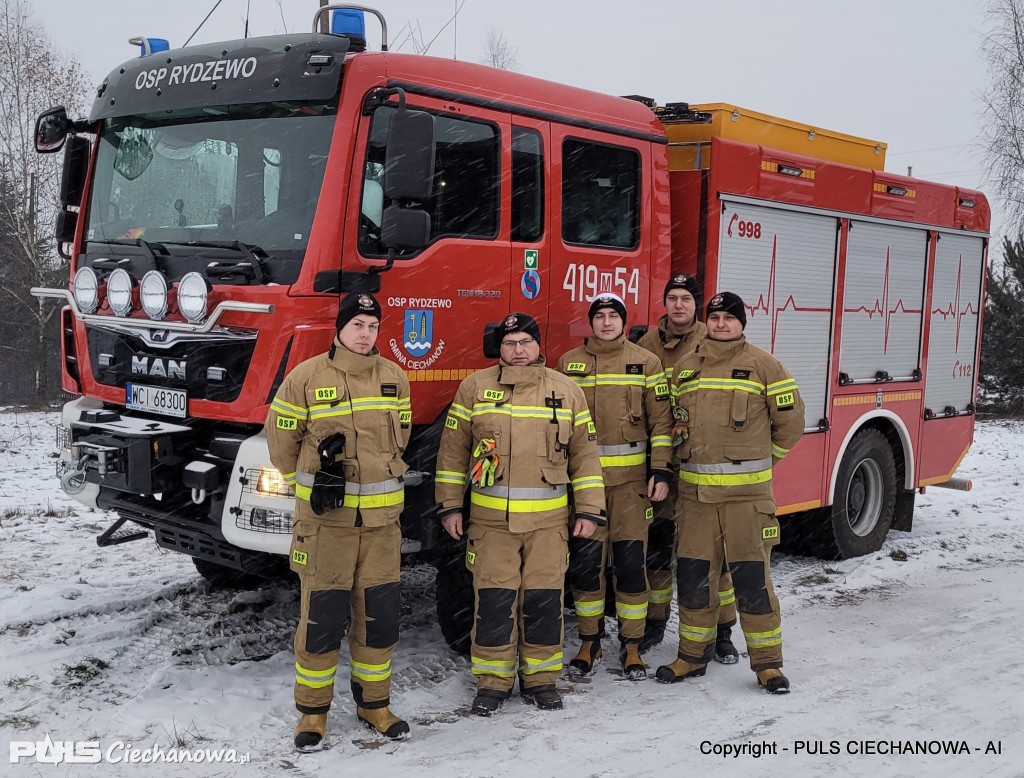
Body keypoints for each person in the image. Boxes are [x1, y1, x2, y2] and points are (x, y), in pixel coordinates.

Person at [435, 313, 606, 716]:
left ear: (538, 347)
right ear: (500, 348)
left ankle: (541, 681)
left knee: (543, 602)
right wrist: (449, 506)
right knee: (494, 602)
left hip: (549, 525)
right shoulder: (474, 387)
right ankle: (492, 684)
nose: (518, 350)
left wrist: (590, 510)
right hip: (491, 524)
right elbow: (453, 452)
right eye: (510, 343)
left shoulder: (565, 391)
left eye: (525, 343)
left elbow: (585, 456)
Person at [265, 292, 412, 750]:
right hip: (327, 526)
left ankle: (375, 705)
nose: (365, 334)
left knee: (379, 618)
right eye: (357, 325)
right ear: (340, 329)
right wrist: (307, 483)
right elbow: (281, 441)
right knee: (321, 620)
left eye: (372, 326)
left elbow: (400, 438)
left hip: (382, 526)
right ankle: (312, 714)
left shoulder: (394, 377)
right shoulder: (306, 378)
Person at [656, 292, 804, 694]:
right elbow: (673, 424)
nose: (721, 324)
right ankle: (691, 655)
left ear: (742, 323)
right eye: (715, 317)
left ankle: (768, 665)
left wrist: (758, 462)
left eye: (729, 318)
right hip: (695, 501)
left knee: (752, 581)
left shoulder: (765, 366)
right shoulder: (686, 367)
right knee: (694, 580)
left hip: (746, 502)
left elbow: (790, 426)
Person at [556, 293, 673, 680]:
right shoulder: (567, 364)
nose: (607, 323)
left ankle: (633, 646)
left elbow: (661, 424)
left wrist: (660, 472)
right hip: (584, 491)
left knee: (630, 568)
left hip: (630, 490)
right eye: (600, 316)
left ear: (624, 322)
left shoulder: (646, 362)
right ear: (590, 322)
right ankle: (590, 642)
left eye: (613, 316)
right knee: (587, 570)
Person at [638, 274, 740, 663]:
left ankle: (722, 633)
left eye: (686, 299)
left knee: (716, 558)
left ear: (698, 305)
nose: (678, 305)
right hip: (662, 468)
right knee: (659, 553)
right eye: (672, 298)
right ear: (664, 303)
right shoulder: (644, 345)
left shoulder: (714, 340)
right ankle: (654, 624)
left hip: (706, 468)